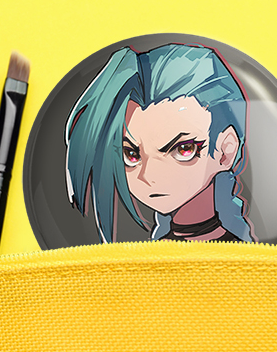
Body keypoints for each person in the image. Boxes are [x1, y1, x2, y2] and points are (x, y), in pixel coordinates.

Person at [65, 43, 253, 243]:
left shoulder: (244, 256)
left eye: (184, 149)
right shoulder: (151, 253)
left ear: (225, 150)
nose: (148, 176)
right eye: (131, 155)